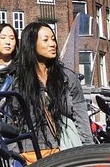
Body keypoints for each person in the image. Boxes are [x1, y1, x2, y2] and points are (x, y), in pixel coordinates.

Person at [11, 22, 93, 162]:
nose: (52, 44)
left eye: (53, 39)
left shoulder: (67, 78)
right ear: (31, 44)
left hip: (64, 153)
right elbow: (12, 124)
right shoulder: (18, 82)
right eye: (46, 40)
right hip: (30, 155)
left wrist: (88, 152)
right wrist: (14, 157)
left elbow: (81, 117)